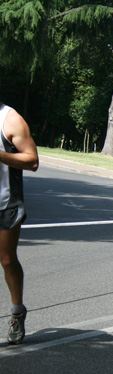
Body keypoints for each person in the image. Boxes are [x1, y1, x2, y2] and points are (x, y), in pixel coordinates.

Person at [0, 102, 39, 344]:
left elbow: (32, 160)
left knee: (6, 259)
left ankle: (17, 311)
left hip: (5, 201)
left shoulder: (10, 119)